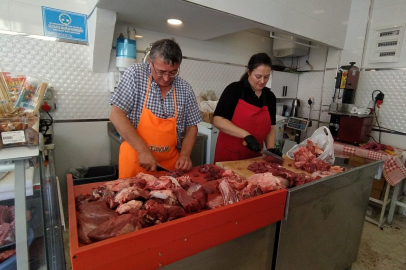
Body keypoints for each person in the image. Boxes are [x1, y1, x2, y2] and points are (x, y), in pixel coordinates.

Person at [109, 38, 202, 178]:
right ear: (150, 63)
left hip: (169, 166)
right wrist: (143, 151)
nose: (166, 78)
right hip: (136, 160)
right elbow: (116, 115)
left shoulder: (185, 88)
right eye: (161, 72)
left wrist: (185, 155)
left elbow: (191, 127)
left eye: (173, 72)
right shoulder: (136, 74)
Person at [213, 52, 282, 163]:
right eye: (258, 76)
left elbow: (271, 127)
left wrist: (270, 149)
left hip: (255, 157)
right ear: (249, 72)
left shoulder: (270, 97)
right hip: (230, 156)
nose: (262, 81)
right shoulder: (234, 90)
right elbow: (218, 120)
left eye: (266, 77)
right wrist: (246, 135)